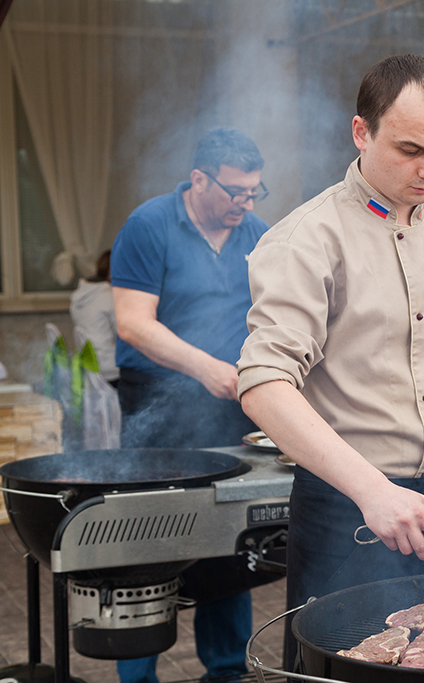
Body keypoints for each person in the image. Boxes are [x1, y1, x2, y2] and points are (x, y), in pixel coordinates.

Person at [234, 55, 424, 668]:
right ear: (361, 132)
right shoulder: (306, 239)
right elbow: (263, 384)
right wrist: (374, 490)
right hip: (347, 510)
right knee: (341, 672)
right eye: (410, 150)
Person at [110, 127, 270, 683]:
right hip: (158, 404)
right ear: (198, 179)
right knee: (146, 539)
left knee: (228, 539)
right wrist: (204, 368)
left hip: (231, 407)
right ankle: (137, 675)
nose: (245, 204)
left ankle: (226, 670)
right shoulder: (150, 224)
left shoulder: (257, 233)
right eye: (235, 191)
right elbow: (131, 321)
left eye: (254, 192)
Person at [70, 250, 119, 384]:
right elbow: (124, 334)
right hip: (111, 368)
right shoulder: (109, 296)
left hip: (89, 366)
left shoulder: (80, 296)